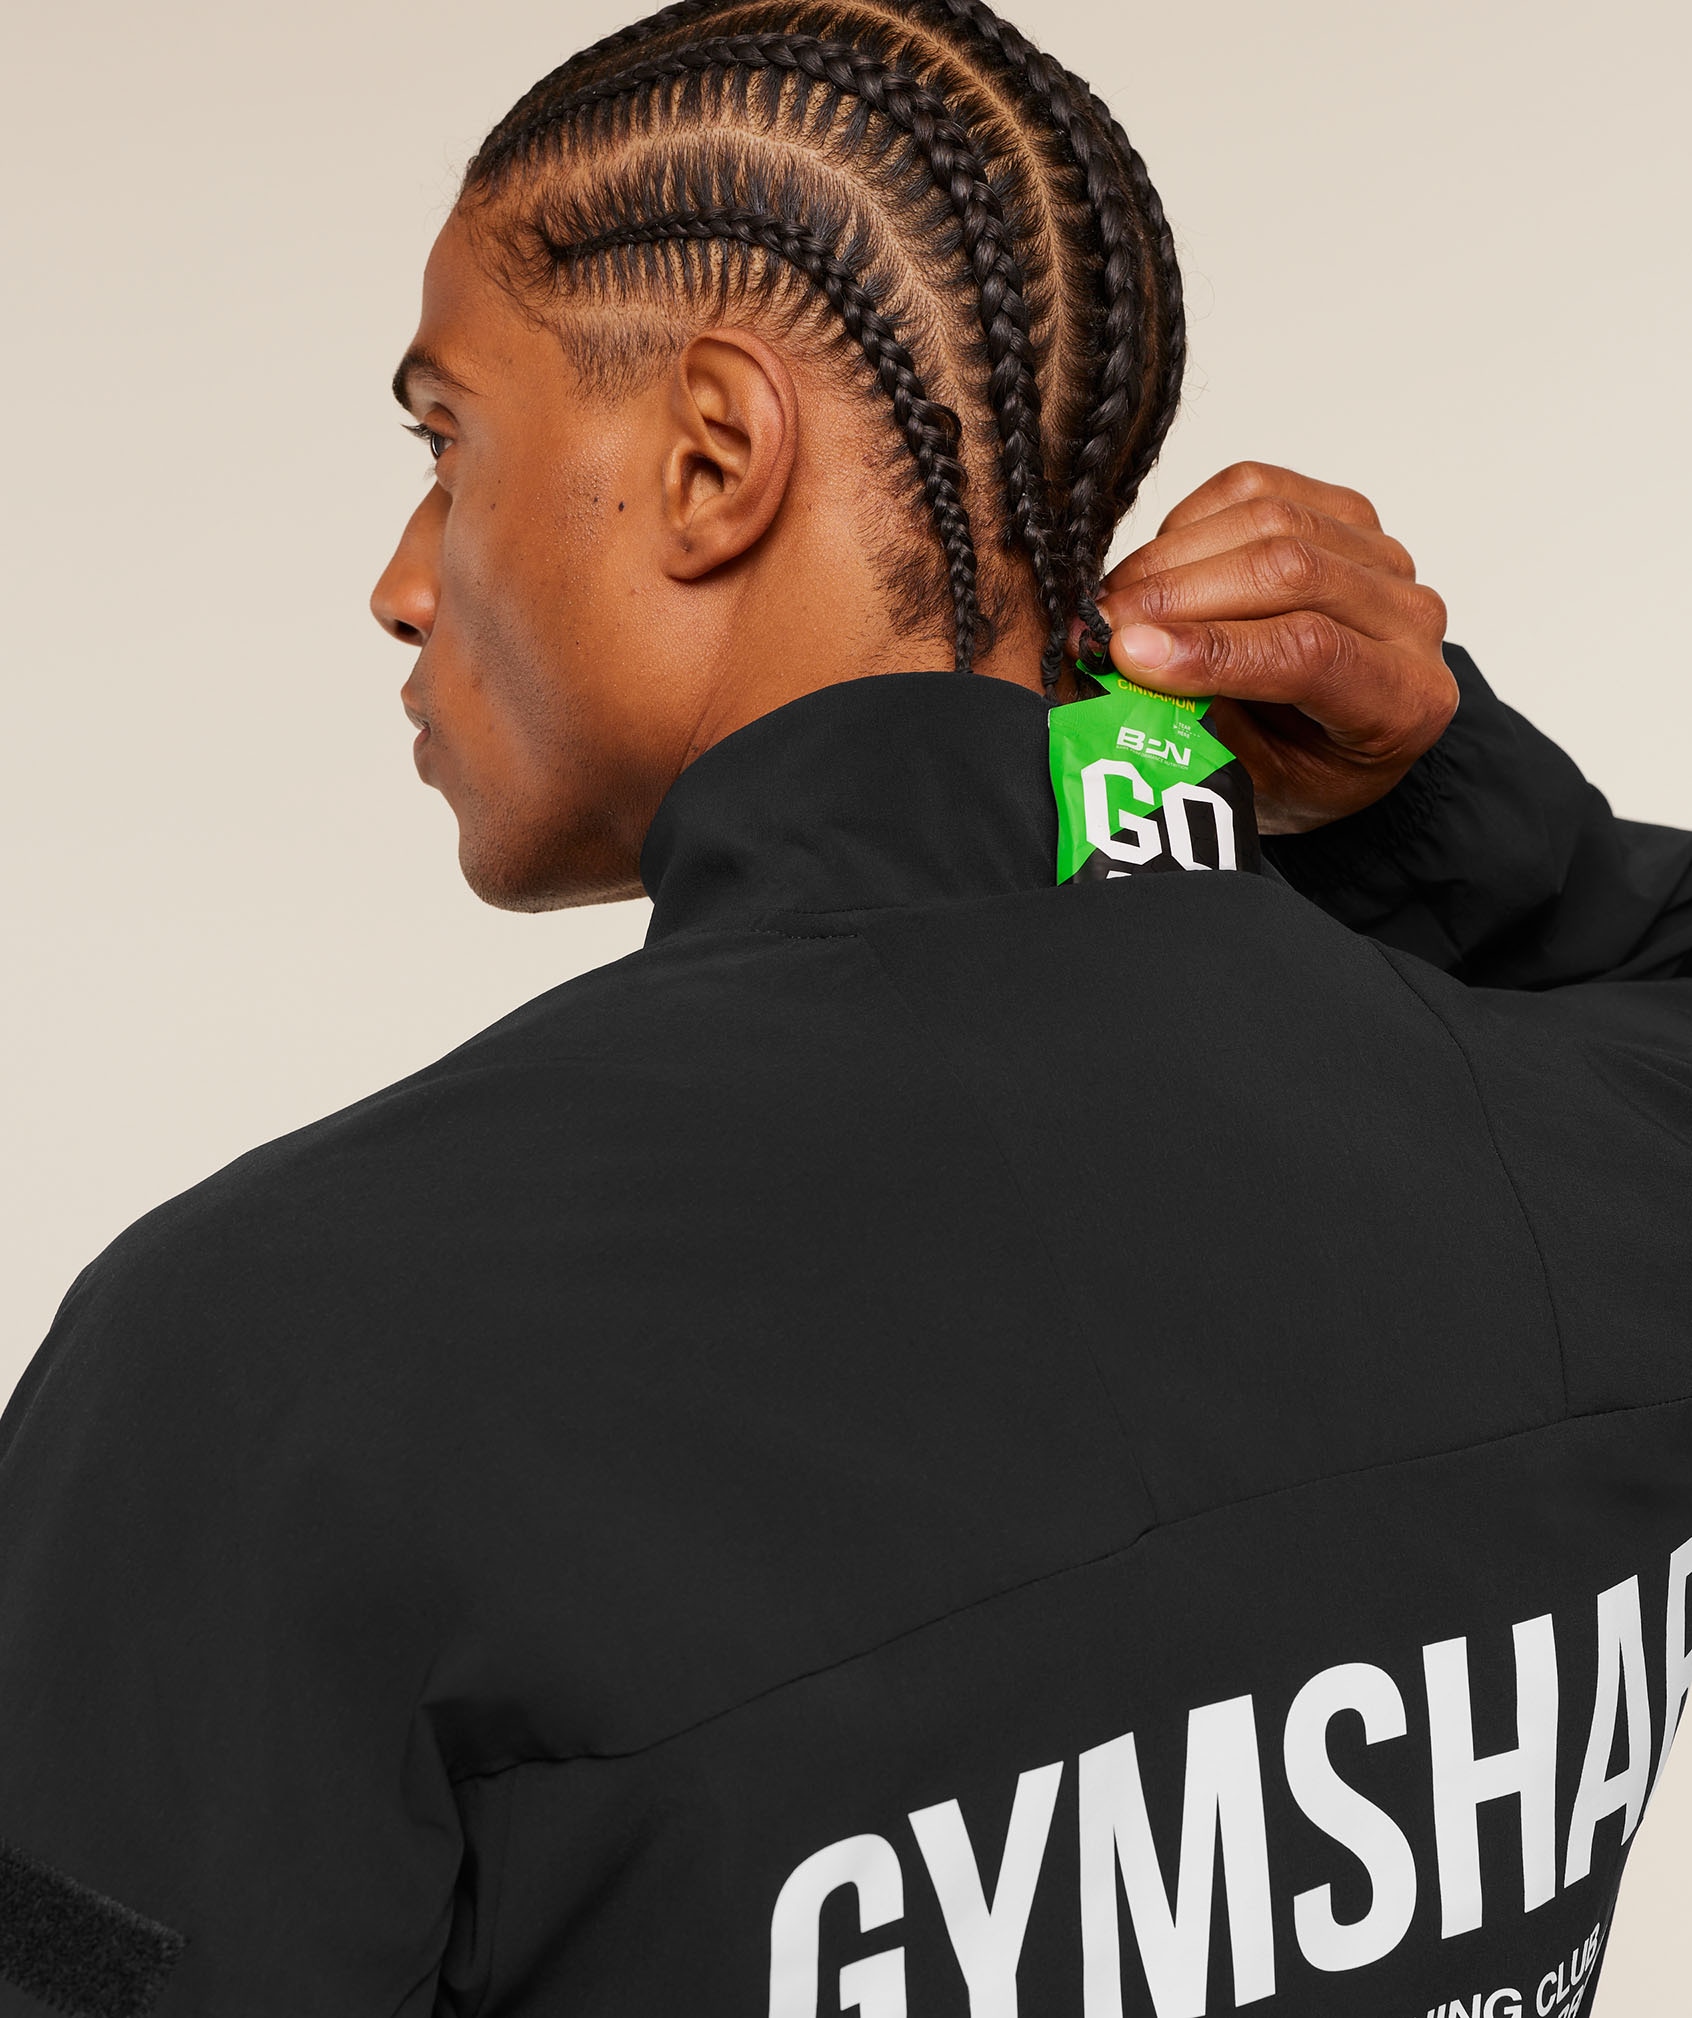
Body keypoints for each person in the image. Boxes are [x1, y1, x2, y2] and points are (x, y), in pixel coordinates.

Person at [1, 2, 1689, 2013]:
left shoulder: (258, 1375)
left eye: (445, 445)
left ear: (713, 456)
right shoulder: (1586, 1151)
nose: (403, 577)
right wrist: (1445, 801)